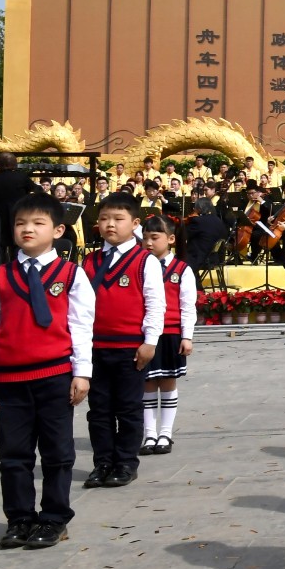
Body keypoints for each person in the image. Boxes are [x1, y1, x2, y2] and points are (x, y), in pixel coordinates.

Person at [0, 192, 96, 549]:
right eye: (20, 223)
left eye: (37, 223)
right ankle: (19, 519)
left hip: (55, 374)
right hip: (10, 379)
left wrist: (83, 372)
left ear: (58, 230)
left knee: (58, 453)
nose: (27, 229)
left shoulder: (70, 274)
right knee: (13, 454)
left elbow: (80, 325)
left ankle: (55, 518)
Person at [82, 192, 163, 489]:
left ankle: (126, 462)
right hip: (95, 346)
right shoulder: (90, 261)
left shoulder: (145, 261)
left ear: (135, 223)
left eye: (118, 219)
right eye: (104, 219)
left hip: (130, 347)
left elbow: (155, 303)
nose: (110, 225)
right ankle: (102, 462)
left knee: (128, 407)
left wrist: (150, 341)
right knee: (99, 409)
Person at [137, 216, 195, 458]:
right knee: (147, 384)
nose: (148, 243)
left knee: (168, 382)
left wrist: (187, 336)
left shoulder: (181, 270)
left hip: (171, 333)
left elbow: (187, 305)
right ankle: (149, 433)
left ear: (170, 239)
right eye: (145, 238)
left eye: (154, 238)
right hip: (147, 335)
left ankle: (165, 432)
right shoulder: (139, 267)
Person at [0, 153, 38, 252]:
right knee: (19, 246)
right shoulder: (22, 178)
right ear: (14, 163)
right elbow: (35, 189)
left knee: (0, 247)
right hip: (19, 216)